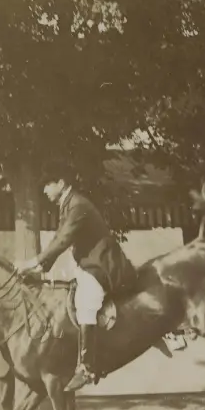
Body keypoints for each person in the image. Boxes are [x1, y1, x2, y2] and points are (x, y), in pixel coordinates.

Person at [15, 161, 137, 392]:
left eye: (48, 185)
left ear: (61, 183)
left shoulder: (78, 205)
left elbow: (63, 241)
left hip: (102, 265)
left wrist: (32, 263)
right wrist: (41, 267)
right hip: (87, 264)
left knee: (85, 304)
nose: (44, 190)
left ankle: (87, 367)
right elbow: (58, 238)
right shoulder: (67, 204)